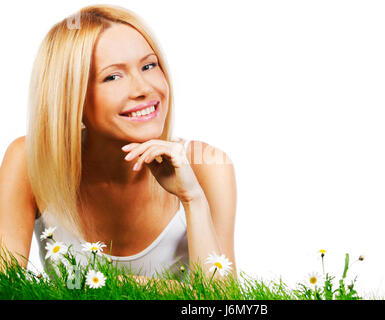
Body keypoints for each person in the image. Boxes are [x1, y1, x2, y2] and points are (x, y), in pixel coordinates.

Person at [0, 4, 237, 280]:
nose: (144, 88)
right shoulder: (29, 161)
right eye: (113, 76)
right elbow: (6, 286)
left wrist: (193, 199)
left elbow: (222, 303)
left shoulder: (208, 167)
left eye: (149, 65)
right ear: (71, 99)